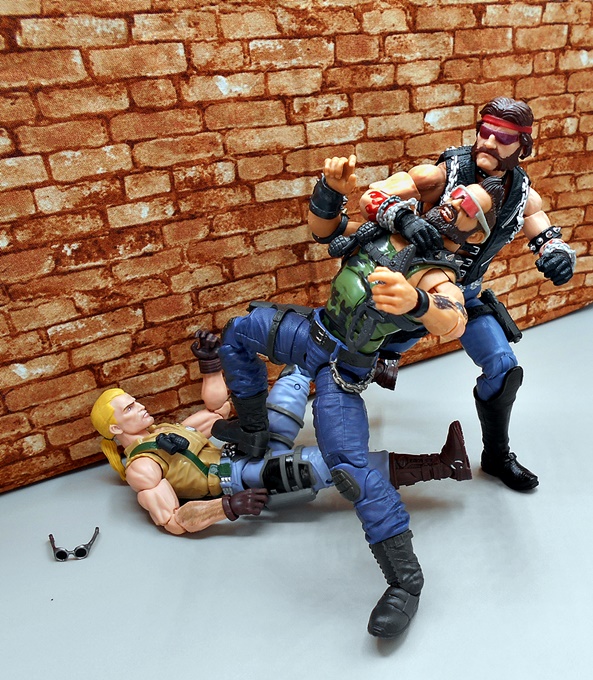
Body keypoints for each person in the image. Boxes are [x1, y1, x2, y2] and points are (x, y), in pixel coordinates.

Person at [212, 178, 498, 638]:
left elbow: (453, 318)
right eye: (455, 196)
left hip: (341, 369)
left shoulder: (436, 274)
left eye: (467, 208)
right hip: (311, 332)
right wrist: (330, 189)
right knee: (237, 332)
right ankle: (253, 430)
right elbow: (324, 229)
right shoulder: (391, 224)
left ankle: (405, 582)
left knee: (349, 468)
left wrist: (417, 302)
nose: (453, 206)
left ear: (475, 233)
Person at [353, 97, 576, 492]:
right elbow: (373, 196)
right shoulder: (442, 175)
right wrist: (403, 217)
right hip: (412, 291)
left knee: (504, 368)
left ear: (522, 146)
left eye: (502, 138)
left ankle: (497, 455)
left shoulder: (522, 194)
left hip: (465, 297)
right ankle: (338, 445)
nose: (488, 142)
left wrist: (556, 254)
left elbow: (543, 228)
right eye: (484, 132)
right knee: (348, 359)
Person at [90, 331, 471, 535]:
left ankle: (370, 362)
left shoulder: (166, 429)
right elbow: (173, 520)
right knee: (333, 465)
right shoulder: (142, 468)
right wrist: (228, 507)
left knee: (295, 376)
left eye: (134, 401)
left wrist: (210, 365)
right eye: (129, 408)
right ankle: (442, 465)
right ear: (115, 428)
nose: (140, 407)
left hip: (247, 449)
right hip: (241, 478)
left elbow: (217, 410)